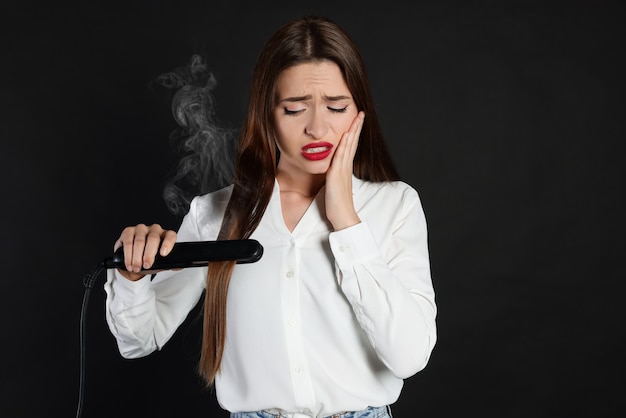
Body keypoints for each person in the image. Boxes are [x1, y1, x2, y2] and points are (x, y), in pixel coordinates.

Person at [105, 16, 437, 418]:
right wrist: (132, 276)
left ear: (359, 112)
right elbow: (138, 340)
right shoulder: (214, 214)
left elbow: (409, 356)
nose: (318, 127)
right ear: (267, 114)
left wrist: (347, 220)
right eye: (295, 109)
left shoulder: (395, 207)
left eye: (336, 106)